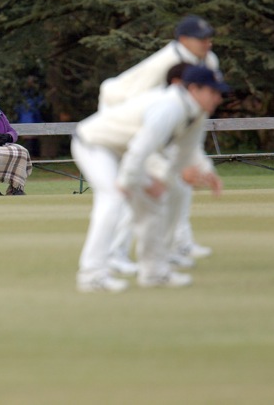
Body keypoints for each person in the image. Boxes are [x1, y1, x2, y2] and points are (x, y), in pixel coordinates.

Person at [72, 65, 227, 293]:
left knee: (153, 203)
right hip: (94, 143)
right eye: (213, 92)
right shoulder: (169, 107)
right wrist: (128, 182)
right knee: (112, 199)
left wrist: (206, 171)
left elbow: (188, 150)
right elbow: (141, 146)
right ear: (194, 89)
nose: (218, 98)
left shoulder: (196, 112)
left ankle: (154, 272)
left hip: (125, 152)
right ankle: (91, 275)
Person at [99, 15, 220, 275]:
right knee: (137, 184)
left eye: (209, 37)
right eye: (201, 39)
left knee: (179, 184)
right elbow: (133, 102)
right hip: (121, 112)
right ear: (184, 40)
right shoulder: (165, 63)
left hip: (165, 122)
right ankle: (114, 254)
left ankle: (176, 246)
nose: (207, 43)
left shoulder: (209, 61)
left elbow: (202, 103)